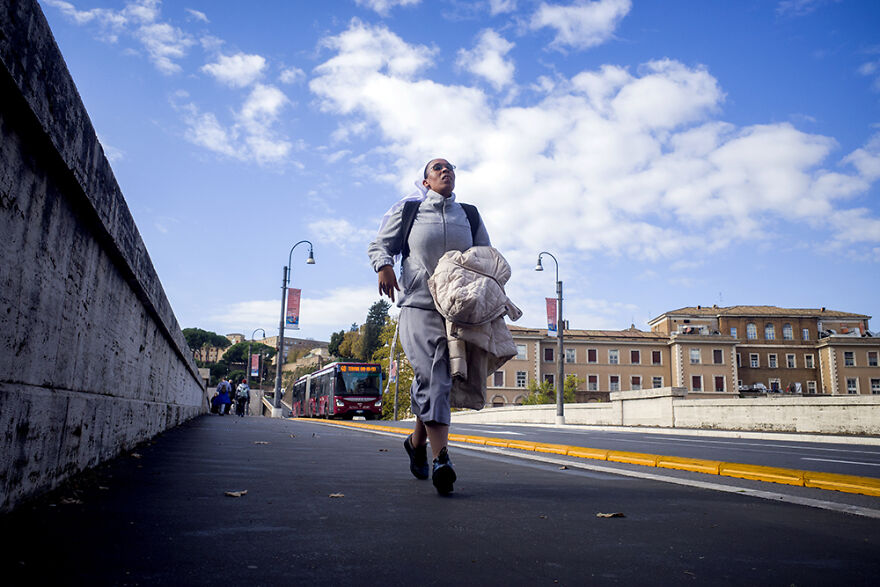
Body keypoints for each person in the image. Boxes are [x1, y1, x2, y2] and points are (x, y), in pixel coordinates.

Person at [367, 158, 491, 495]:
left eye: (450, 167)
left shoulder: (469, 215)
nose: (445, 170)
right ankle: (442, 459)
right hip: (419, 305)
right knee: (436, 373)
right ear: (425, 182)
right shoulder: (410, 212)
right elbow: (380, 245)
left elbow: (486, 257)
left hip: (457, 309)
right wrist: (383, 266)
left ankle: (416, 442)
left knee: (440, 379)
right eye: (437, 168)